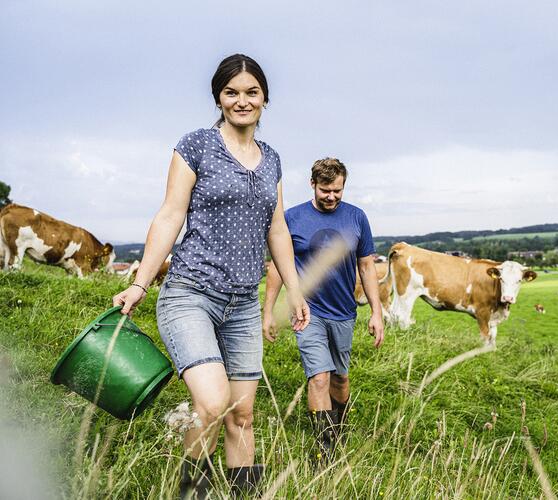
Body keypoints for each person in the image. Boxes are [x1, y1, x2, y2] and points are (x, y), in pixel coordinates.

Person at [112, 53, 310, 498]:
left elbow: (276, 229)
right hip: (191, 294)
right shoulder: (196, 145)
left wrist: (294, 291)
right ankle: (191, 493)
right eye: (232, 92)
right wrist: (140, 282)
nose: (242, 101)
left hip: (242, 303)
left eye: (251, 92)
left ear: (265, 98)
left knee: (242, 414)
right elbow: (169, 216)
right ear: (218, 98)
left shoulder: (272, 159)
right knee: (213, 402)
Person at [262, 157, 384, 463]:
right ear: (313, 185)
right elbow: (277, 267)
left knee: (340, 379)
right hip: (307, 312)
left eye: (337, 191)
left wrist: (376, 311)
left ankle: (338, 429)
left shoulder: (357, 218)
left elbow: (367, 267)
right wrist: (268, 310)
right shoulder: (292, 218)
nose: (331, 197)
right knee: (319, 378)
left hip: (343, 312)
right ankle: (324, 452)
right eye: (325, 190)